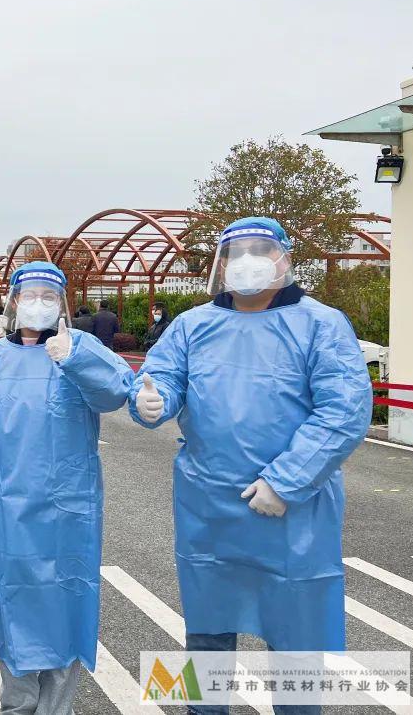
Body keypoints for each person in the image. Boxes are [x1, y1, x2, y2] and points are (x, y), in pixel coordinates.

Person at [130, 217, 372, 715]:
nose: (246, 262)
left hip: (293, 511)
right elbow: (163, 376)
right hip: (209, 504)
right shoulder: (193, 325)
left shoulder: (321, 324)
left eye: (259, 251)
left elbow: (344, 409)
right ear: (221, 266)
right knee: (207, 631)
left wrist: (286, 481)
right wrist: (151, 400)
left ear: (284, 258)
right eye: (235, 254)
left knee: (295, 639)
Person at [0, 263, 132, 715]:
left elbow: (116, 392)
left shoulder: (82, 349)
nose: (38, 303)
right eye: (30, 295)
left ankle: (58, 708)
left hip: (69, 509)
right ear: (14, 302)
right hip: (7, 509)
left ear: (62, 304)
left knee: (66, 607)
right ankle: (17, 706)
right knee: (12, 606)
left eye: (49, 295)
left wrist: (74, 358)